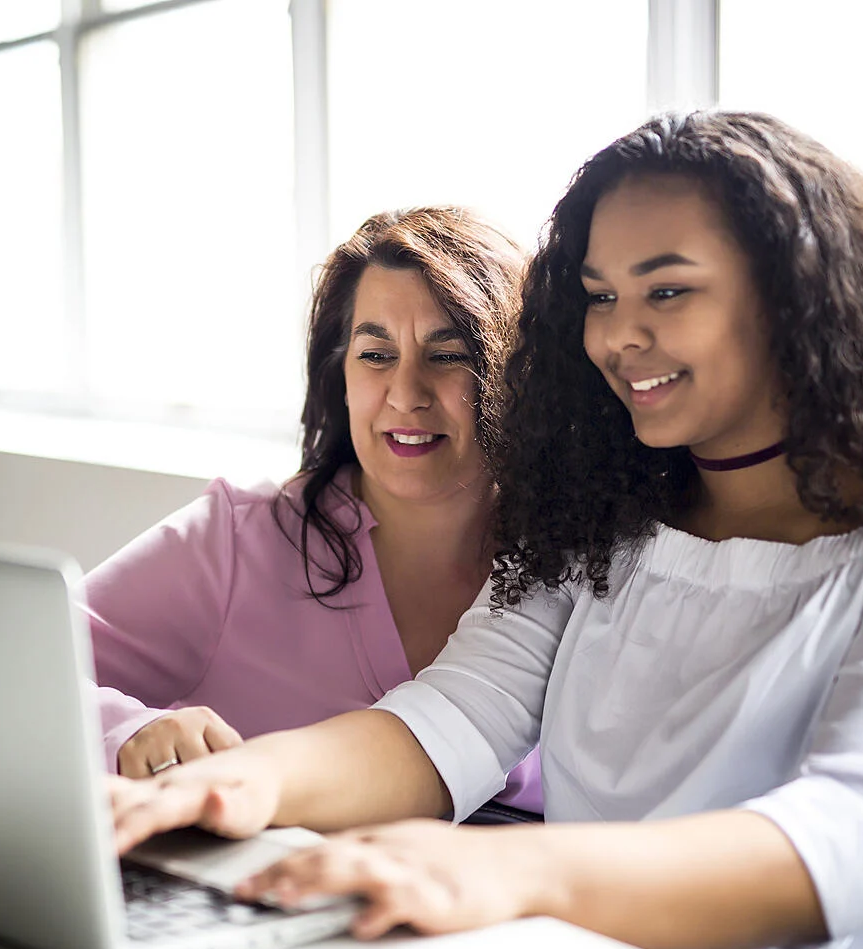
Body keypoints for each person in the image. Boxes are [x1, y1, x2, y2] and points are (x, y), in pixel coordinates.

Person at [107, 112, 863, 949]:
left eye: (666, 292)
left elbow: (854, 844)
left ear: (798, 299)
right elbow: (449, 721)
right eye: (598, 297)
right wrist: (235, 786)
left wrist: (517, 874)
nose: (619, 337)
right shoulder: (601, 522)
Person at [86, 205, 541, 815]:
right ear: (341, 375)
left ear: (519, 371)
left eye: (448, 355)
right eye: (375, 356)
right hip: (268, 897)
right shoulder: (237, 540)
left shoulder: (579, 571)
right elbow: (7, 668)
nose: (405, 394)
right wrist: (125, 730)